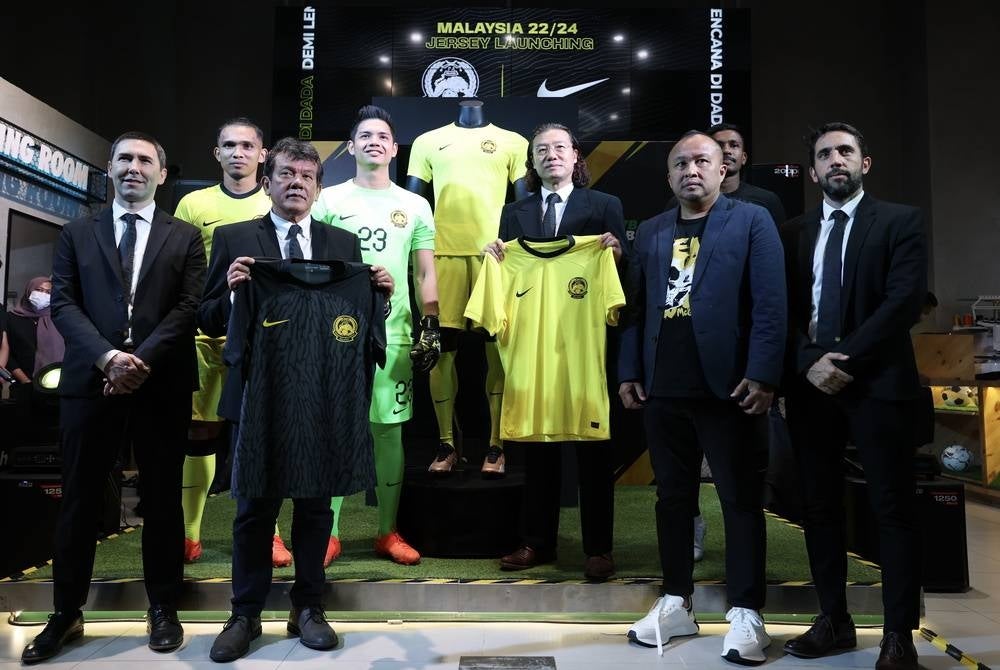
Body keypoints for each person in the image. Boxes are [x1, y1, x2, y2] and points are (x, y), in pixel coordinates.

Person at [198, 137, 393, 663]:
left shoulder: (342, 245)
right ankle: (245, 613)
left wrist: (383, 293)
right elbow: (208, 316)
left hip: (322, 394)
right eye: (286, 174)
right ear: (268, 180)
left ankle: (308, 606)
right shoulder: (235, 238)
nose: (296, 184)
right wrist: (232, 288)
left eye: (306, 177)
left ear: (318, 186)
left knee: (314, 506)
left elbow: (359, 321)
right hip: (257, 393)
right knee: (253, 508)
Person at [21, 132, 206, 664]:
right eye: (124, 158)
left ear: (162, 174)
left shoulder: (185, 236)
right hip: (89, 383)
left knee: (164, 501)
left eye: (145, 160)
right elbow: (63, 301)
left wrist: (138, 360)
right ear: (109, 168)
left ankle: (163, 607)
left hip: (161, 383)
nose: (134, 167)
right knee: (80, 499)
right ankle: (66, 613)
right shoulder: (76, 232)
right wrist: (108, 359)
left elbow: (188, 306)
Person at [617, 131, 785, 664]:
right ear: (669, 176)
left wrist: (762, 374)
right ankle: (676, 601)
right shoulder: (652, 229)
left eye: (702, 161)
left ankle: (745, 611)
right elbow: (635, 308)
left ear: (722, 168)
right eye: (681, 163)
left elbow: (770, 303)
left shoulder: (752, 220)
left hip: (730, 386)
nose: (692, 170)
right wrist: (628, 370)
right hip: (663, 384)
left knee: (738, 499)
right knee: (673, 500)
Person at [780, 122, 927, 670]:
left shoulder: (900, 221)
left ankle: (897, 636)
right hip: (811, 387)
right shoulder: (791, 231)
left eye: (845, 151)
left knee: (893, 509)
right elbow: (782, 311)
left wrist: (844, 359)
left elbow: (903, 301)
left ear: (865, 163)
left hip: (879, 385)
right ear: (814, 170)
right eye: (824, 154)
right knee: (818, 509)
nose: (834, 160)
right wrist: (807, 362)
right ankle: (833, 621)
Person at [481, 122, 625, 580]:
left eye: (559, 147)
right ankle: (535, 542)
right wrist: (495, 257)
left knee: (594, 457)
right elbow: (503, 272)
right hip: (534, 354)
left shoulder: (605, 206)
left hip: (585, 350)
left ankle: (598, 548)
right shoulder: (514, 212)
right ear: (532, 161)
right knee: (537, 454)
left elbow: (625, 274)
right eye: (541, 149)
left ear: (575, 156)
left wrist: (616, 254)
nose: (551, 155)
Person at [312, 105, 439, 567]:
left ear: (394, 148)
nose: (374, 141)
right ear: (351, 147)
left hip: (395, 333)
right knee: (336, 430)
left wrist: (430, 322)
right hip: (335, 333)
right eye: (365, 135)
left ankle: (387, 531)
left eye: (383, 135)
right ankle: (330, 534)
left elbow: (425, 269)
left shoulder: (415, 204)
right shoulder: (327, 201)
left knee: (388, 433)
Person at [172, 118, 282, 566]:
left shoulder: (277, 199)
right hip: (206, 333)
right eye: (229, 145)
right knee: (200, 434)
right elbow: (177, 266)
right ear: (216, 153)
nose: (238, 152)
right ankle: (189, 534)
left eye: (247, 145)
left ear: (263, 153)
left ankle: (271, 533)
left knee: (261, 436)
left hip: (265, 337)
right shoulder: (193, 204)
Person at [406, 99, 529, 475]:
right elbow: (412, 200)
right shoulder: (428, 142)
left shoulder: (513, 142)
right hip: (442, 256)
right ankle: (446, 444)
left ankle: (496, 445)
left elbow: (525, 203)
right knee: (443, 351)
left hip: (496, 257)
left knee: (498, 351)